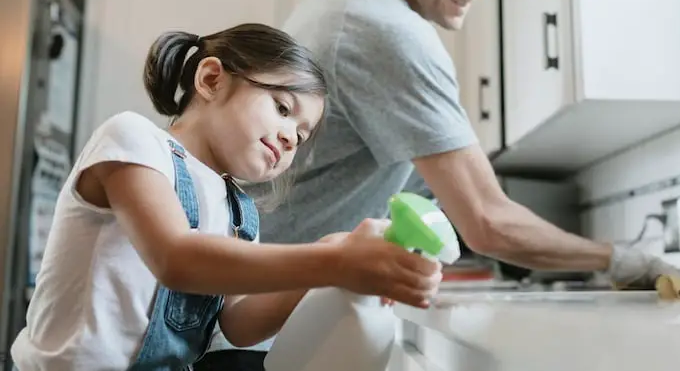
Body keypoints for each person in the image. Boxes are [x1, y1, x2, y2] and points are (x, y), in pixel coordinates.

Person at [200, 0, 680, 368]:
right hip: (247, 332)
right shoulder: (390, 34)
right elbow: (486, 222)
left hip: (244, 312)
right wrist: (623, 260)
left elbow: (411, 192)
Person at [10, 23, 442, 371]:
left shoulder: (240, 211)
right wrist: (338, 261)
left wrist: (331, 252)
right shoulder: (133, 140)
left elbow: (238, 323)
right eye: (283, 108)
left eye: (302, 135)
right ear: (212, 79)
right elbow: (177, 259)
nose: (292, 137)